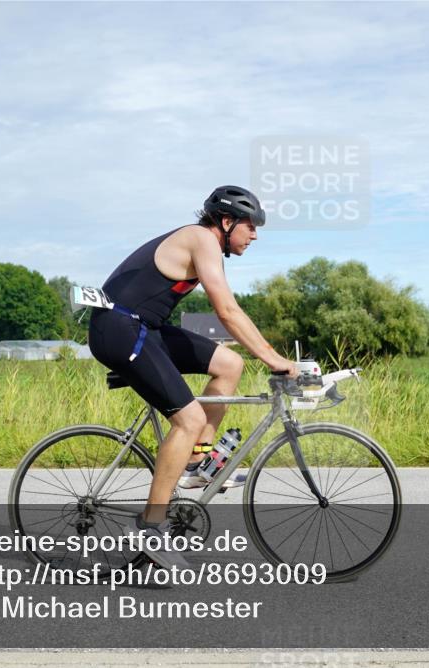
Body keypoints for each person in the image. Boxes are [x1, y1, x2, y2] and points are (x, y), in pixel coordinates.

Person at [88, 185, 300, 569]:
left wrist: (264, 357)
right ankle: (150, 526)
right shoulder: (201, 238)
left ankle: (195, 465)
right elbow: (228, 312)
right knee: (190, 418)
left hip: (143, 328)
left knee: (230, 365)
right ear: (226, 221)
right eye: (250, 226)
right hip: (118, 330)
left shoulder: (207, 244)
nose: (255, 235)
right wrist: (274, 359)